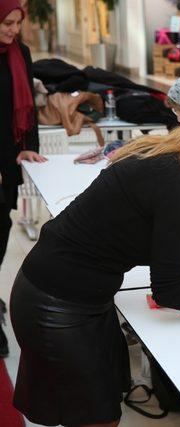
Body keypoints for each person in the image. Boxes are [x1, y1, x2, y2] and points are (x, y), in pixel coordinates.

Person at [10, 90, 180, 427]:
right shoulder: (179, 182)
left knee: (104, 406)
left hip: (74, 295)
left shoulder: (178, 163)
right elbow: (170, 292)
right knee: (97, 418)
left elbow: (178, 233)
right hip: (56, 304)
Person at [0, 0, 48, 358]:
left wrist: (29, 148)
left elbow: (27, 105)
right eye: (6, 24)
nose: (13, 30)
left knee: (2, 230)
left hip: (8, 164)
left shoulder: (21, 52)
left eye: (17, 23)